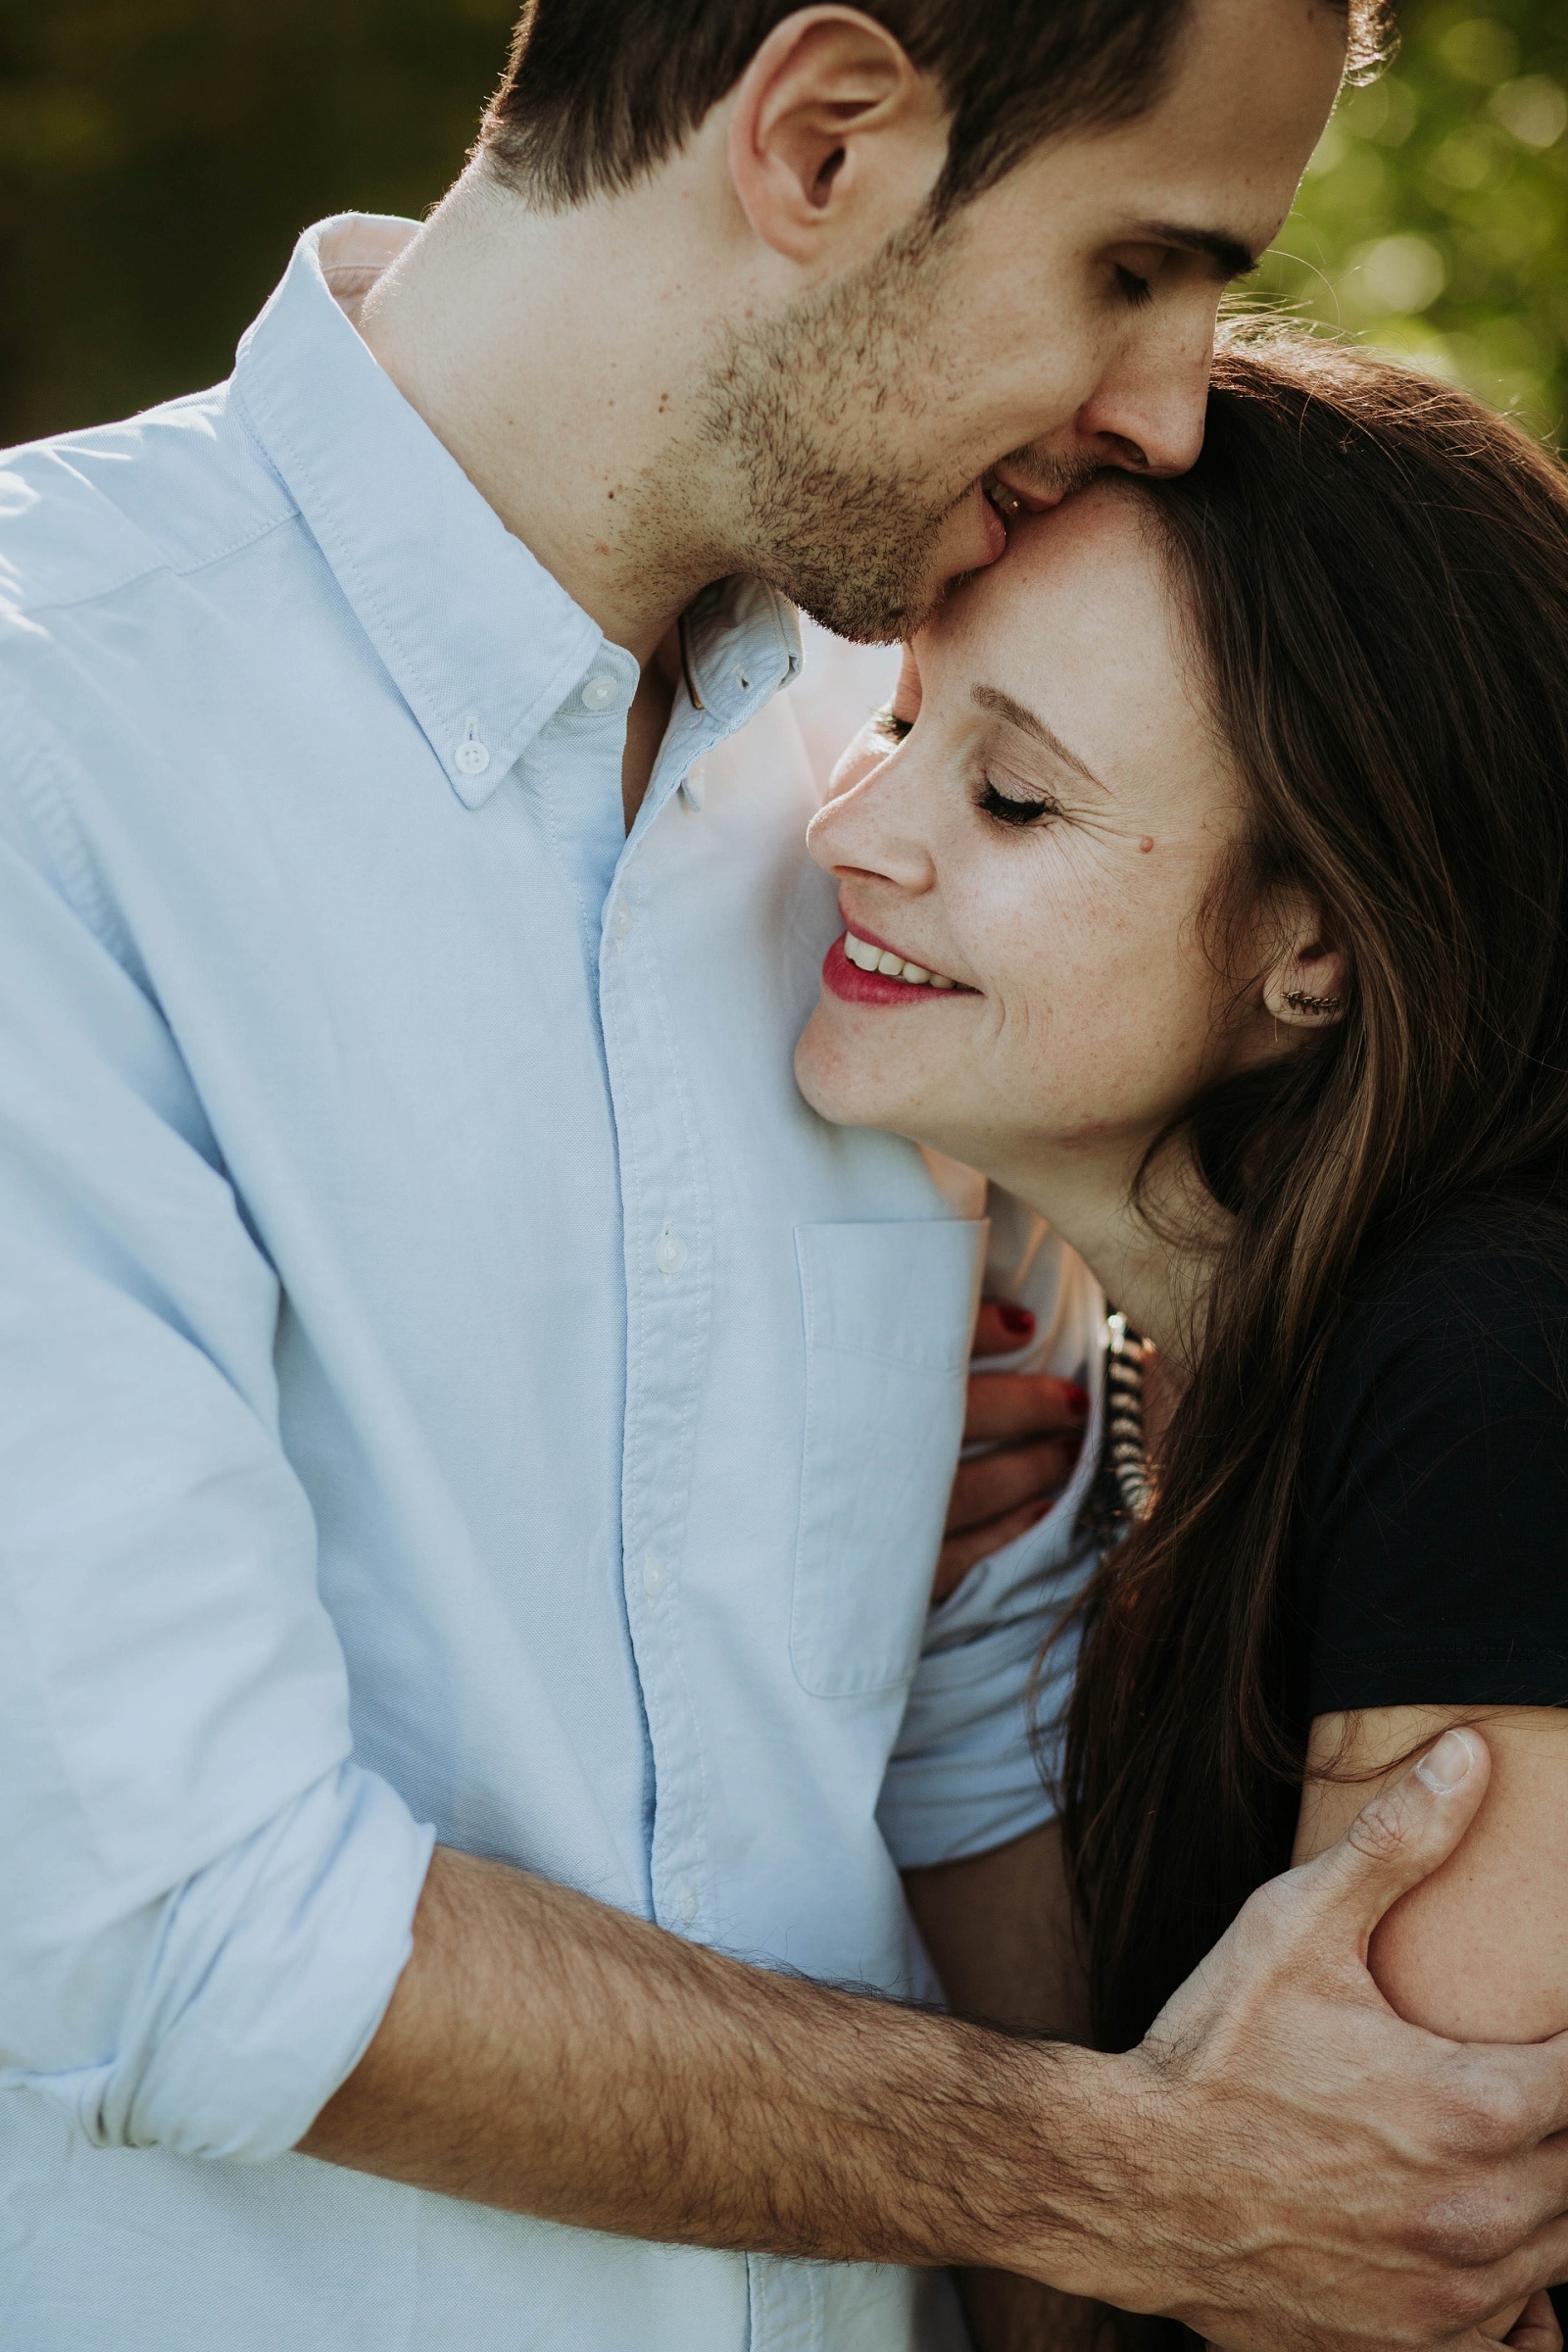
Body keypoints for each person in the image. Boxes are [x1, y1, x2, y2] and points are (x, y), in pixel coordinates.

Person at [5, 0, 1565, 2341]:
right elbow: (172, 1923)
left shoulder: (877, 750)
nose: (1165, 404)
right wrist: (1137, 2183)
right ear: (821, 139)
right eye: (1133, 267)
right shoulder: (60, 739)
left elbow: (941, 1702)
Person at [794, 327, 1568, 2349]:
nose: (852, 834)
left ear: (1310, 945)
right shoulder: (1108, 1387)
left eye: (1016, 797)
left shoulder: (1482, 1369)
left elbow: (1367, 2289)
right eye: (891, 725)